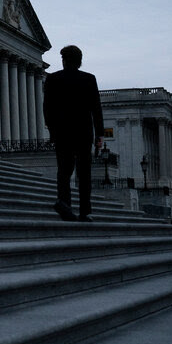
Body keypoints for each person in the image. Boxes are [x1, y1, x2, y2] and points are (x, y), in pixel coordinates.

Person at [43, 44, 104, 222]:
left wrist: (53, 131)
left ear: (64, 60)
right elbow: (96, 109)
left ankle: (65, 204)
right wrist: (100, 134)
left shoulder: (53, 79)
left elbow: (47, 109)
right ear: (80, 61)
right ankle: (85, 211)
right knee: (84, 173)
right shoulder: (89, 79)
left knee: (64, 171)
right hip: (84, 133)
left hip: (62, 133)